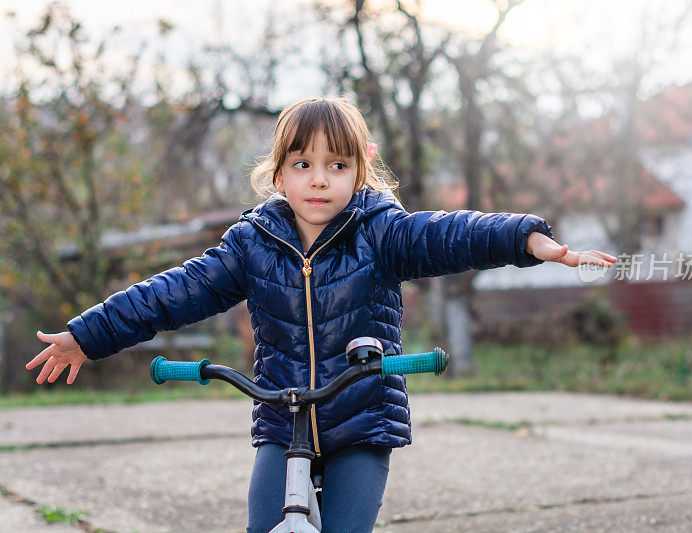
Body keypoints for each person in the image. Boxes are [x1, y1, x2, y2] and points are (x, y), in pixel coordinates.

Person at [26, 96, 617, 532]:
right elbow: (174, 292)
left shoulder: (382, 234)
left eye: (337, 166)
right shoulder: (251, 244)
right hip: (283, 422)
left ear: (361, 169)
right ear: (278, 171)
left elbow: (452, 234)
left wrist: (530, 241)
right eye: (303, 165)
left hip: (362, 419)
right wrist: (88, 336)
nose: (319, 180)